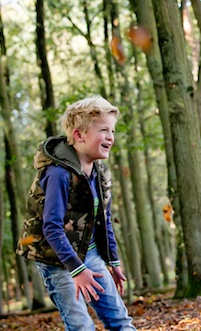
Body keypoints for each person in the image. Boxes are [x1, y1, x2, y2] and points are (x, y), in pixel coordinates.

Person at [17, 96, 136, 331]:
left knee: (120, 321)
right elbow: (51, 227)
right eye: (103, 130)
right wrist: (77, 269)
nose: (111, 137)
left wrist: (112, 260)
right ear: (79, 135)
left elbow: (105, 219)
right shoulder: (58, 173)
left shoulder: (99, 172)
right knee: (81, 325)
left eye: (112, 130)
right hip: (58, 259)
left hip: (90, 253)